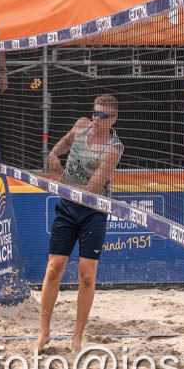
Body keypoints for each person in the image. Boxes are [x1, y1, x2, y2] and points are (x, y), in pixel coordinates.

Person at [35, 94, 124, 353]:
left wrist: (61, 183)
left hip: (93, 210)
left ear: (113, 119)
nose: (97, 118)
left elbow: (91, 189)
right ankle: (43, 332)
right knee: (54, 268)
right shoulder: (81, 125)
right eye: (95, 112)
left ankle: (77, 337)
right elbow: (65, 142)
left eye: (103, 115)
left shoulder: (113, 149)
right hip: (68, 207)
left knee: (86, 275)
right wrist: (54, 155)